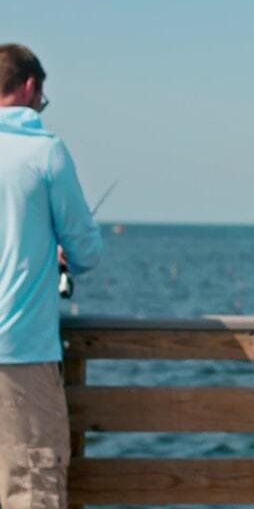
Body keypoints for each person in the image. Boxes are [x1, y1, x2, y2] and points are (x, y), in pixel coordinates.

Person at [0, 43, 103, 508]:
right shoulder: (44, 153)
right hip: (19, 350)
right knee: (31, 485)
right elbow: (85, 251)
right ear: (29, 87)